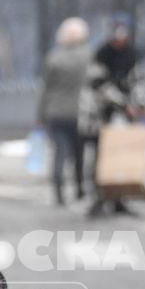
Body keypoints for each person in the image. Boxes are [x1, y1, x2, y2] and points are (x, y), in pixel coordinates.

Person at [36, 17, 101, 206]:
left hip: (56, 112)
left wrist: (40, 116)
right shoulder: (90, 56)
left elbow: (45, 89)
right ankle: (80, 188)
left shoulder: (53, 58)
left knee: (60, 152)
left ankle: (58, 189)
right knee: (79, 151)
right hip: (81, 112)